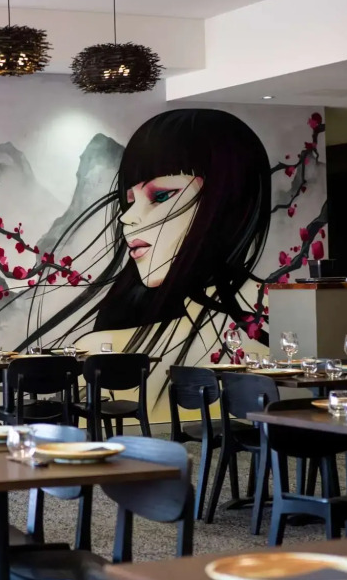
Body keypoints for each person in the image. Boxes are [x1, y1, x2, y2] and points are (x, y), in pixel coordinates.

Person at [23, 109, 273, 386]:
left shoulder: (104, 350)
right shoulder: (112, 344)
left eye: (161, 196)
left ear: (227, 198)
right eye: (130, 201)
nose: (127, 217)